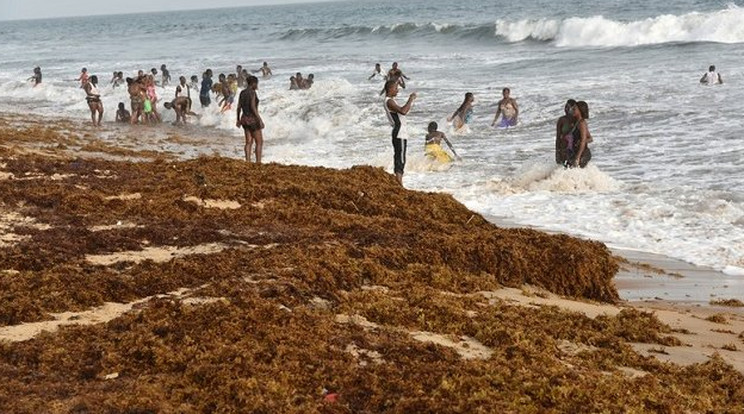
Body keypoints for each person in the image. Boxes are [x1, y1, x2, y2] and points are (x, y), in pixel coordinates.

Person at [383, 79, 417, 185]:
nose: (397, 91)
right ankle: (399, 183)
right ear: (390, 89)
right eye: (395, 89)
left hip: (398, 131)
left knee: (399, 156)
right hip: (399, 132)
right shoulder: (389, 101)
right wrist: (410, 99)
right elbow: (403, 111)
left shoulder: (389, 100)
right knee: (400, 158)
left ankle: (398, 181)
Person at [236, 75, 265, 163]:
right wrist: (259, 119)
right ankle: (258, 162)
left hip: (244, 119)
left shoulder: (242, 92)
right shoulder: (252, 92)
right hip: (252, 119)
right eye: (256, 84)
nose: (257, 86)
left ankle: (248, 161)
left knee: (248, 142)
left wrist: (238, 119)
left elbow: (238, 107)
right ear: (253, 83)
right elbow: (253, 107)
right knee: (259, 142)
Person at [568, 101, 592, 168]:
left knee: (575, 170)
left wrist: (577, 157)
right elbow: (590, 138)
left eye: (574, 109)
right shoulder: (577, 122)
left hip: (582, 153)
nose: (572, 110)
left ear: (580, 110)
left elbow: (583, 141)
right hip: (577, 151)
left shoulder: (581, 123)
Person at [555, 99, 577, 165]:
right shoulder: (561, 120)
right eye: (565, 107)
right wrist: (557, 151)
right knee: (563, 166)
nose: (566, 109)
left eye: (568, 107)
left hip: (574, 148)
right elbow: (558, 137)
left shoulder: (577, 120)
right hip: (564, 148)